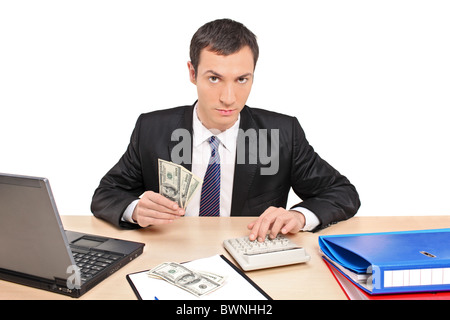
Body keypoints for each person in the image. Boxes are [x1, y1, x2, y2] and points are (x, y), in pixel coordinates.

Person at [91, 18, 360, 241]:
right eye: (214, 78)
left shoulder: (281, 134)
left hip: (249, 258)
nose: (229, 97)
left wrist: (299, 216)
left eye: (242, 79)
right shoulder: (151, 129)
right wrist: (135, 209)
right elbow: (106, 194)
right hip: (171, 255)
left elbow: (342, 193)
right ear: (192, 73)